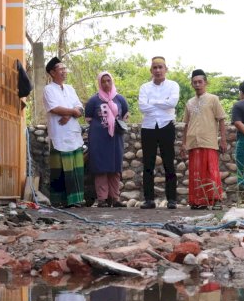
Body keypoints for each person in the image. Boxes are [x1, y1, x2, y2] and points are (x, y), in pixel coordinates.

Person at [180, 69, 227, 210]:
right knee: (196, 171)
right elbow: (186, 124)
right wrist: (183, 143)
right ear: (191, 84)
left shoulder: (213, 99)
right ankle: (198, 201)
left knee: (211, 170)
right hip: (193, 141)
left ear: (206, 82)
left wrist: (223, 140)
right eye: (194, 82)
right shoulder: (189, 102)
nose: (197, 84)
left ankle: (215, 199)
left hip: (209, 140)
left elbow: (222, 120)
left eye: (200, 82)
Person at [42, 56, 85, 208]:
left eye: (64, 69)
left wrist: (72, 113)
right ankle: (60, 201)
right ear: (52, 73)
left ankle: (76, 200)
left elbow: (80, 107)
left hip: (72, 132)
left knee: (75, 168)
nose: (64, 71)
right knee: (59, 169)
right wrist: (72, 111)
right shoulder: (48, 89)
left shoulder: (70, 89)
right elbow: (54, 108)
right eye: (61, 69)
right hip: (59, 134)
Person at [138, 56, 180, 209]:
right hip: (148, 127)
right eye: (154, 67)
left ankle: (172, 200)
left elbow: (172, 103)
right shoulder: (144, 87)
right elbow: (142, 107)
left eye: (160, 67)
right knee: (148, 165)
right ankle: (149, 200)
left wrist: (153, 103)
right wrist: (162, 103)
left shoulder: (173, 85)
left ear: (166, 69)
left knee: (169, 163)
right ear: (151, 70)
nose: (157, 70)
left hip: (166, 126)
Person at [85, 72, 129, 208]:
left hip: (116, 139)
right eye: (103, 81)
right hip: (99, 139)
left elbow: (125, 115)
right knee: (101, 169)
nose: (106, 84)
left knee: (115, 168)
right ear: (99, 83)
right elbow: (88, 118)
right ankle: (102, 199)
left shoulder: (120, 99)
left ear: (112, 81)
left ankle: (115, 198)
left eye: (108, 81)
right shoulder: (94, 100)